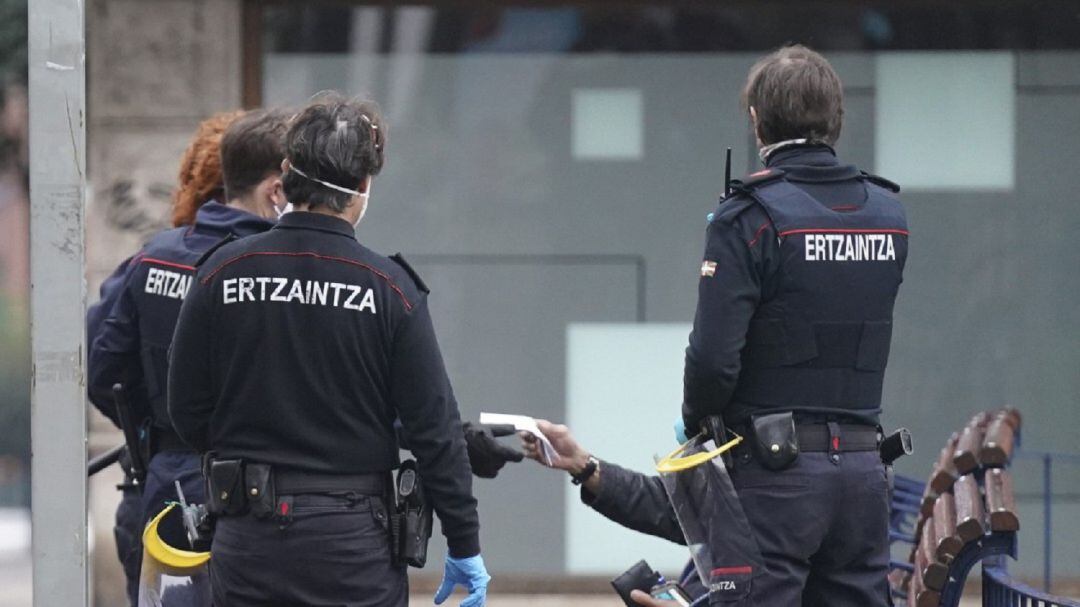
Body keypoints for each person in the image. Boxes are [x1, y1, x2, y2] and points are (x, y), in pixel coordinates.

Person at [528, 45, 908, 607]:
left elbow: (712, 359)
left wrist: (697, 429)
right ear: (836, 120)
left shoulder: (749, 216)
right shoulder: (888, 215)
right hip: (862, 475)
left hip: (773, 480)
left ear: (756, 120)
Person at [168, 94, 490, 607]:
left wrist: (249, 445)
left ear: (287, 172)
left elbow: (185, 409)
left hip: (248, 538)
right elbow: (435, 431)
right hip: (352, 547)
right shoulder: (390, 289)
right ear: (363, 187)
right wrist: (464, 542)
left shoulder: (221, 271)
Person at [86, 108, 262, 606]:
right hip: (262, 501)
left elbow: (104, 369)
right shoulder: (278, 269)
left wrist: (151, 431)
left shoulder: (150, 259)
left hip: (160, 484)